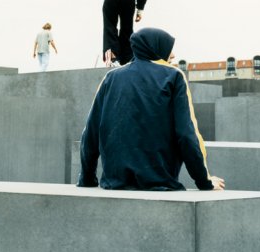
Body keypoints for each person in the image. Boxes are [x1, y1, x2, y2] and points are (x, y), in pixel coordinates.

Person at [77, 27, 225, 191]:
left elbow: (90, 134)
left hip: (114, 184)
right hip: (160, 183)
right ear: (155, 48)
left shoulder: (111, 77)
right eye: (168, 48)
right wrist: (204, 181)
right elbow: (187, 134)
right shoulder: (173, 76)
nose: (173, 55)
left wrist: (87, 178)